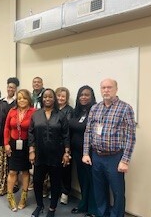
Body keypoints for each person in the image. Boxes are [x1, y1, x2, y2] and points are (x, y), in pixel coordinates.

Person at [82, 78, 136, 217]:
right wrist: (85, 153)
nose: (106, 90)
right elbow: (88, 131)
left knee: (117, 192)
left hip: (115, 157)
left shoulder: (125, 108)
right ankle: (102, 214)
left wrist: (125, 160)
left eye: (109, 87)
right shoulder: (95, 108)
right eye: (103, 88)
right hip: (96, 156)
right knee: (99, 190)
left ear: (116, 89)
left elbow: (131, 136)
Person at [29, 88, 70, 217]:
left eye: (50, 97)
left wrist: (66, 153)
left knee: (56, 181)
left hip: (56, 154)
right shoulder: (36, 114)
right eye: (45, 97)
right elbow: (31, 134)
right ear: (42, 99)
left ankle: (52, 208)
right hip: (40, 154)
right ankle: (39, 205)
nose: (47, 99)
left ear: (54, 99)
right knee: (37, 181)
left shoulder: (61, 115)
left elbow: (66, 135)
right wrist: (31, 150)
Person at [4, 89, 35, 212]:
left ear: (29, 100)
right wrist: (6, 144)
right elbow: (6, 128)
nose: (22, 100)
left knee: (25, 172)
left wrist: (33, 149)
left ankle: (23, 198)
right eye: (20, 98)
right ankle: (10, 197)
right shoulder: (12, 111)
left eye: (25, 98)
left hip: (27, 145)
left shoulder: (34, 112)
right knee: (12, 172)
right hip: (13, 145)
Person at [70, 86, 97, 216]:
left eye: (86, 95)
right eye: (81, 95)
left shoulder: (95, 111)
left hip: (89, 153)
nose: (83, 97)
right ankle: (83, 204)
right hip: (77, 152)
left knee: (91, 180)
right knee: (82, 179)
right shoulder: (77, 111)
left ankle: (93, 208)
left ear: (92, 97)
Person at [55, 87, 74, 205]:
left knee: (66, 170)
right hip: (53, 145)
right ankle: (56, 190)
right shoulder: (53, 109)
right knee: (55, 169)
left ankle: (65, 193)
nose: (60, 98)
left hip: (65, 145)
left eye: (63, 96)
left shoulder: (69, 110)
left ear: (66, 98)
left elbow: (65, 128)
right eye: (58, 95)